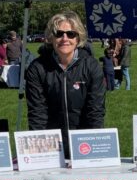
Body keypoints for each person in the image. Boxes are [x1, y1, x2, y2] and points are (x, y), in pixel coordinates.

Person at [25, 11, 106, 156]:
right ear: (51, 37)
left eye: (70, 34)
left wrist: (93, 150)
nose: (64, 38)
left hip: (84, 143)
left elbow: (95, 112)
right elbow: (37, 113)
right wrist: (40, 154)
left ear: (78, 38)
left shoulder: (92, 66)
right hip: (51, 144)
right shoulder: (37, 68)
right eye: (59, 33)